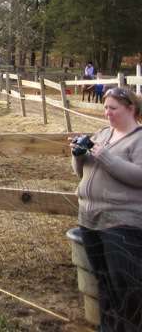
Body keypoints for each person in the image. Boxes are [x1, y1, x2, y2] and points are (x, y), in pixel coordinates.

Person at [71, 86, 142, 331]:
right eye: (105, 108)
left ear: (130, 109)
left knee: (126, 286)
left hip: (122, 223)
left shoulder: (139, 139)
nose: (107, 113)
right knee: (103, 282)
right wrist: (78, 155)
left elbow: (139, 177)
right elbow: (81, 173)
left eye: (113, 108)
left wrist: (105, 156)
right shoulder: (102, 134)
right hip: (90, 220)